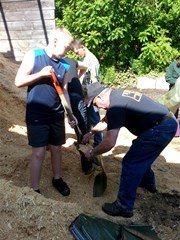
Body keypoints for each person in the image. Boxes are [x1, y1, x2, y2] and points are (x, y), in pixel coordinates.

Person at [82, 82, 177, 218]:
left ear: (100, 97)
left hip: (160, 127)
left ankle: (124, 206)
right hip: (165, 123)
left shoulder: (115, 106)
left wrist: (92, 152)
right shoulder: (117, 96)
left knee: (131, 161)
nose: (97, 107)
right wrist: (90, 133)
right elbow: (105, 122)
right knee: (142, 155)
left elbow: (109, 143)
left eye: (95, 103)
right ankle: (147, 184)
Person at [15, 27, 77, 196]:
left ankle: (57, 178)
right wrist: (40, 74)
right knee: (39, 153)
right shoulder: (34, 56)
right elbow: (18, 81)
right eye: (65, 48)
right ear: (55, 42)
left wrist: (70, 114)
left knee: (57, 148)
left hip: (56, 114)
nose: (66, 53)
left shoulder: (65, 65)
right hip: (36, 115)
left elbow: (63, 90)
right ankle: (34, 189)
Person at [71, 39, 103, 147]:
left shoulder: (92, 60)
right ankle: (88, 142)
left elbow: (94, 81)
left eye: (77, 52)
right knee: (88, 121)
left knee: (95, 120)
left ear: (82, 47)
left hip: (92, 96)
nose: (76, 54)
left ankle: (98, 145)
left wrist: (90, 97)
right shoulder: (85, 59)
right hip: (86, 96)